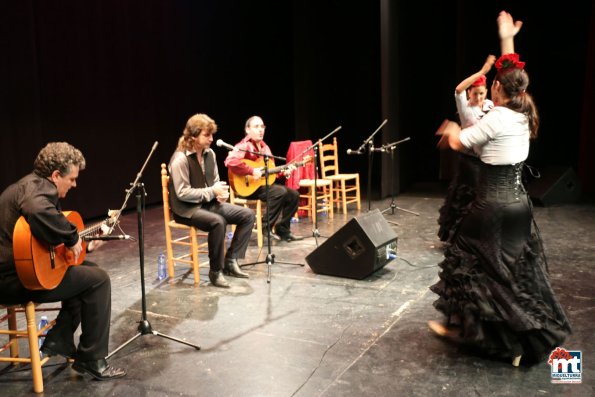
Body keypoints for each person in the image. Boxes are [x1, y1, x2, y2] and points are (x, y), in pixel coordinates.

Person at [429, 11, 571, 366]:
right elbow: (512, 77)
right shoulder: (524, 111)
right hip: (519, 205)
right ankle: (517, 339)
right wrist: (507, 38)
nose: (492, 83)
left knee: (466, 255)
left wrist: (448, 131)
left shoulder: (495, 117)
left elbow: (460, 142)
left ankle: (475, 330)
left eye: (494, 81)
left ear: (496, 89)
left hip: (491, 206)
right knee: (508, 268)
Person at [0, 142, 126, 380]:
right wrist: (70, 237)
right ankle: (92, 359)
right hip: (13, 281)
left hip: (18, 272)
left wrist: (84, 245)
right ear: (56, 175)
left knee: (86, 270)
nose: (75, 184)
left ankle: (60, 340)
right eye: (72, 179)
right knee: (98, 280)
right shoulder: (40, 191)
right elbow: (39, 212)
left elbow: (38, 242)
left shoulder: (28, 186)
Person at [168, 113, 255, 288]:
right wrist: (211, 192)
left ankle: (231, 260)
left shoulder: (210, 154)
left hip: (208, 204)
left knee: (247, 215)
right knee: (218, 222)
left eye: (211, 134)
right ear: (193, 137)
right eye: (206, 135)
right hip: (186, 209)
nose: (211, 139)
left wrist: (220, 193)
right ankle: (215, 271)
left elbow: (214, 181)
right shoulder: (180, 159)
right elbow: (182, 193)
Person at [437, 55, 496, 242]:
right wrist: (482, 71)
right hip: (468, 160)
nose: (478, 97)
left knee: (481, 198)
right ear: (470, 92)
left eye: (481, 93)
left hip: (484, 159)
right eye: (475, 93)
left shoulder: (489, 105)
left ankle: (476, 235)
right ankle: (461, 236)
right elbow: (458, 89)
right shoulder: (465, 108)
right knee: (466, 197)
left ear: (486, 92)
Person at [224, 115, 301, 242]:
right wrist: (251, 170)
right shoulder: (244, 145)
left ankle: (283, 230)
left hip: (262, 186)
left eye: (262, 127)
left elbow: (271, 173)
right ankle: (265, 226)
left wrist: (283, 172)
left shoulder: (265, 148)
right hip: (247, 188)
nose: (261, 130)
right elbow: (230, 161)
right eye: (256, 127)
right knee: (279, 192)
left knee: (293, 195)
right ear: (247, 130)